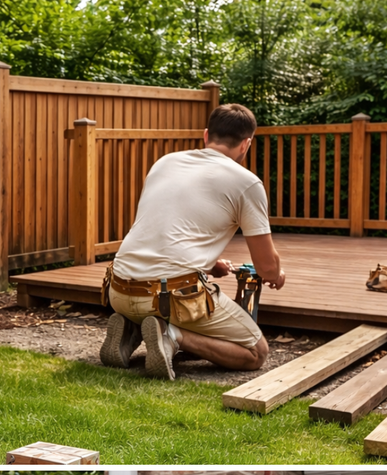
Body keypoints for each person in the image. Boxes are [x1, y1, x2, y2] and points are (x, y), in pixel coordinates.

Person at [100, 102, 288, 380]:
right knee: (256, 352)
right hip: (169, 298)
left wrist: (210, 264)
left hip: (117, 290)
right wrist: (277, 273)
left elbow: (166, 235)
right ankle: (170, 335)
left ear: (205, 135)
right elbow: (266, 267)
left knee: (150, 301)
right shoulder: (246, 183)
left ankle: (131, 328)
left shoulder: (165, 162)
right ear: (246, 144)